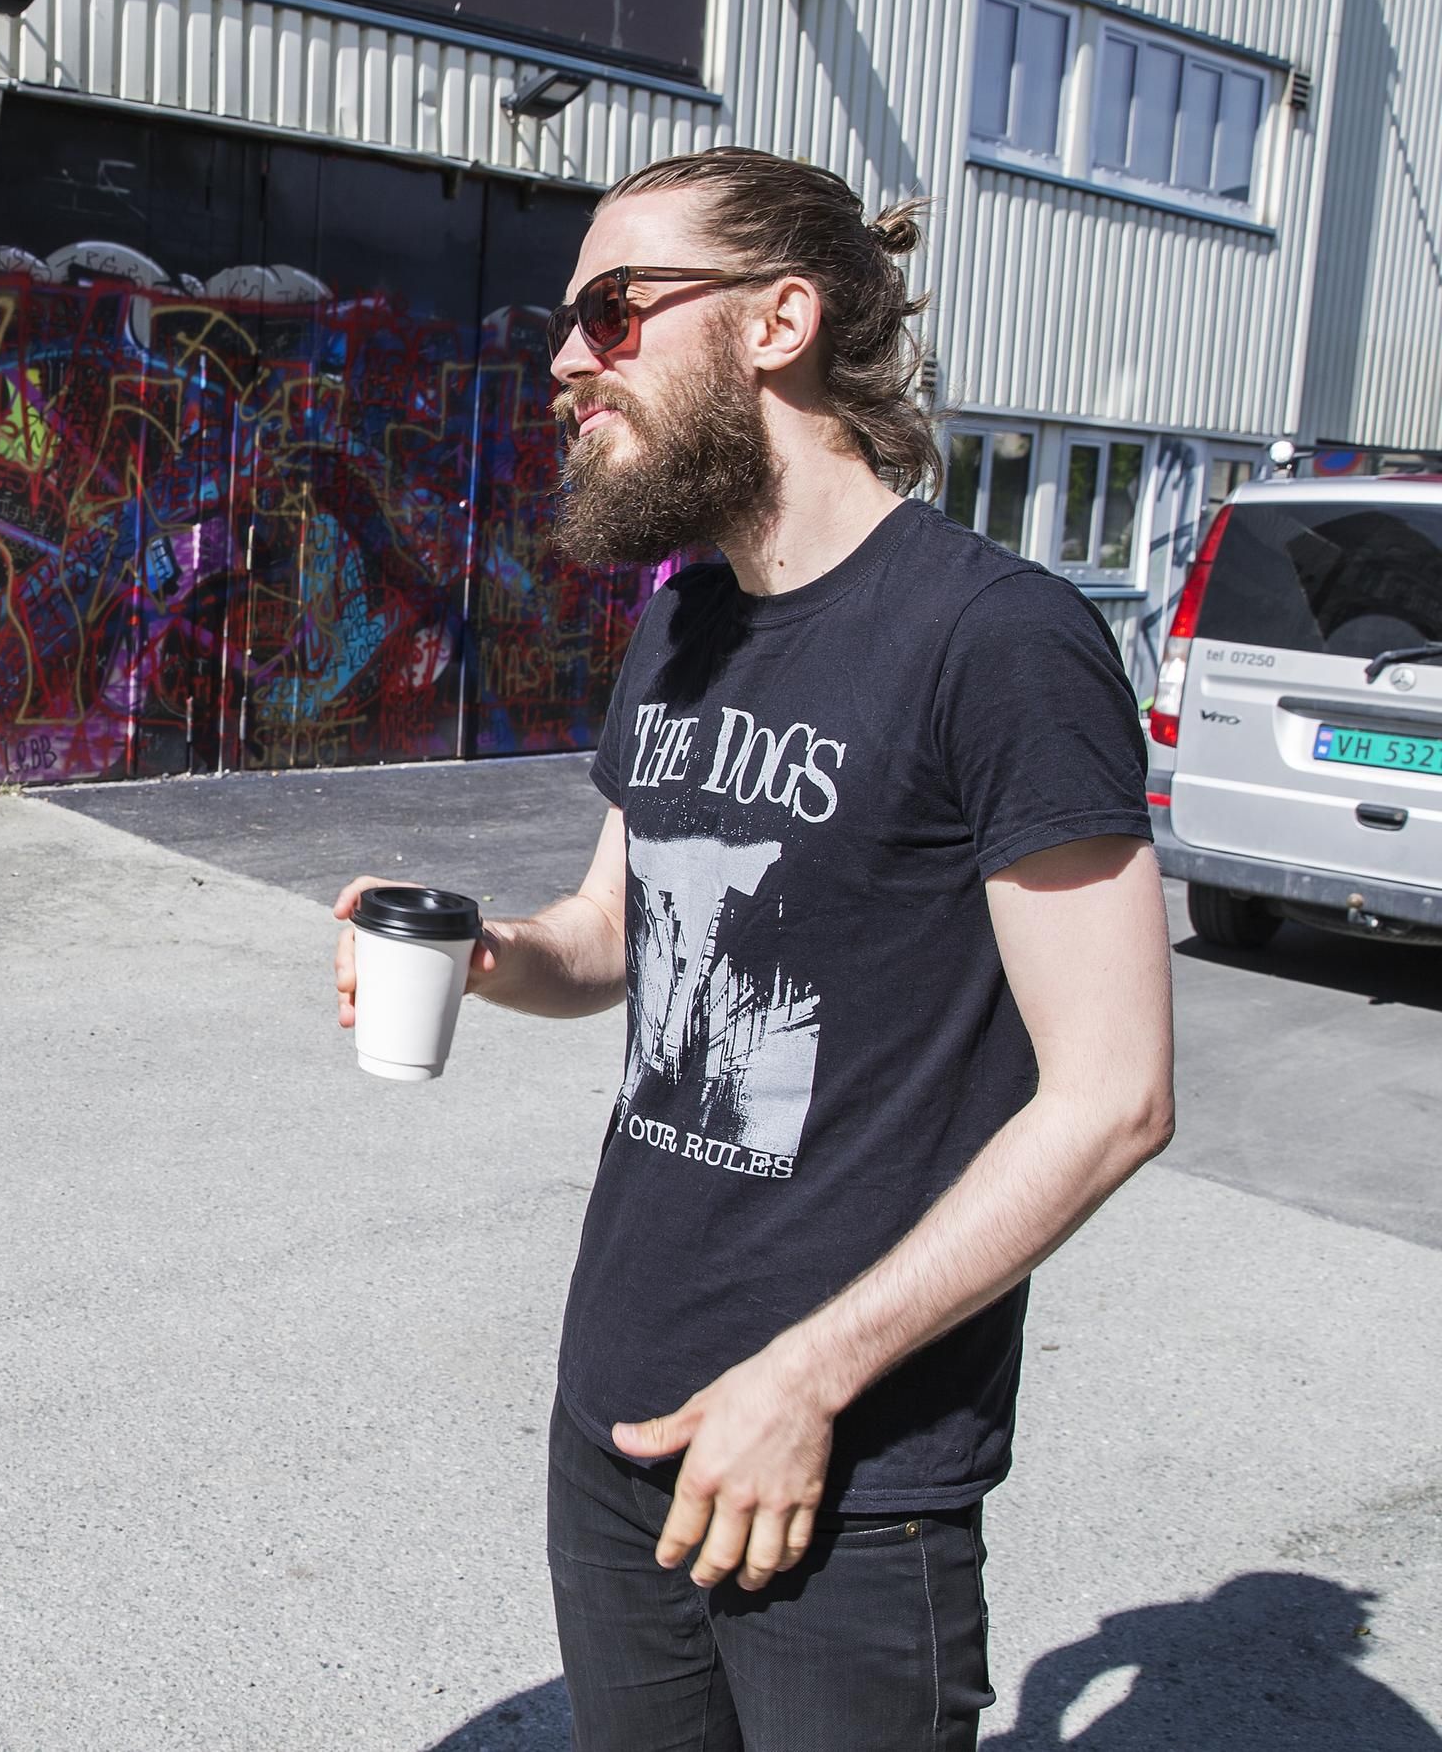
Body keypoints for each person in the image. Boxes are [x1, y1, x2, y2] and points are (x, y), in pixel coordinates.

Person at [333, 146, 1175, 1751]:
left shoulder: (998, 640)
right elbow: (614, 931)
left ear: (778, 320)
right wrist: (488, 951)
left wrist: (809, 1379)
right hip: (614, 1408)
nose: (566, 359)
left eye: (611, 310)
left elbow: (1113, 1096)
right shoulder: (685, 620)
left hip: (838, 1467)